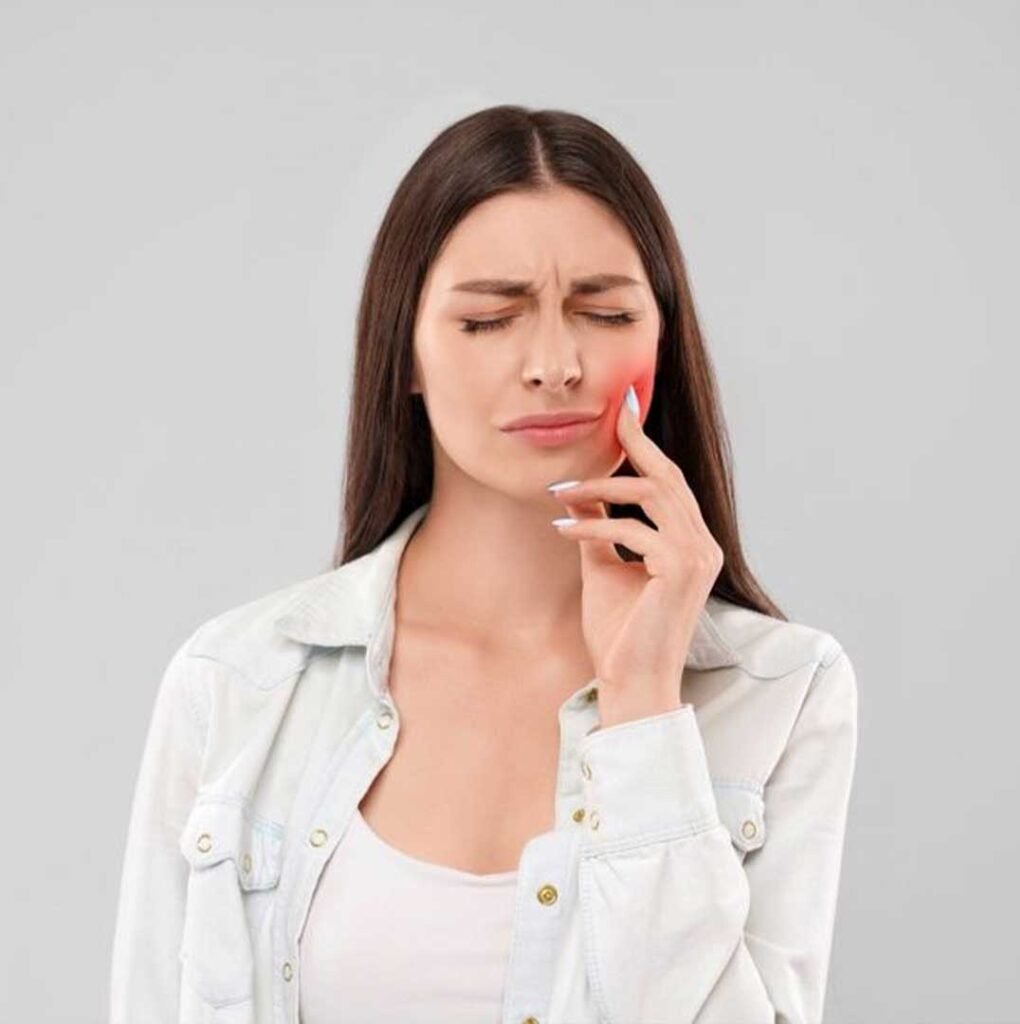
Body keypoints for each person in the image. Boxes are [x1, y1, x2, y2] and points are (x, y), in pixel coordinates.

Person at [109, 104, 858, 1024]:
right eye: (489, 320)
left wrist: (644, 712)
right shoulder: (233, 683)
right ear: (407, 354)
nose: (554, 363)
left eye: (607, 312)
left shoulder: (781, 692)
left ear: (662, 338)